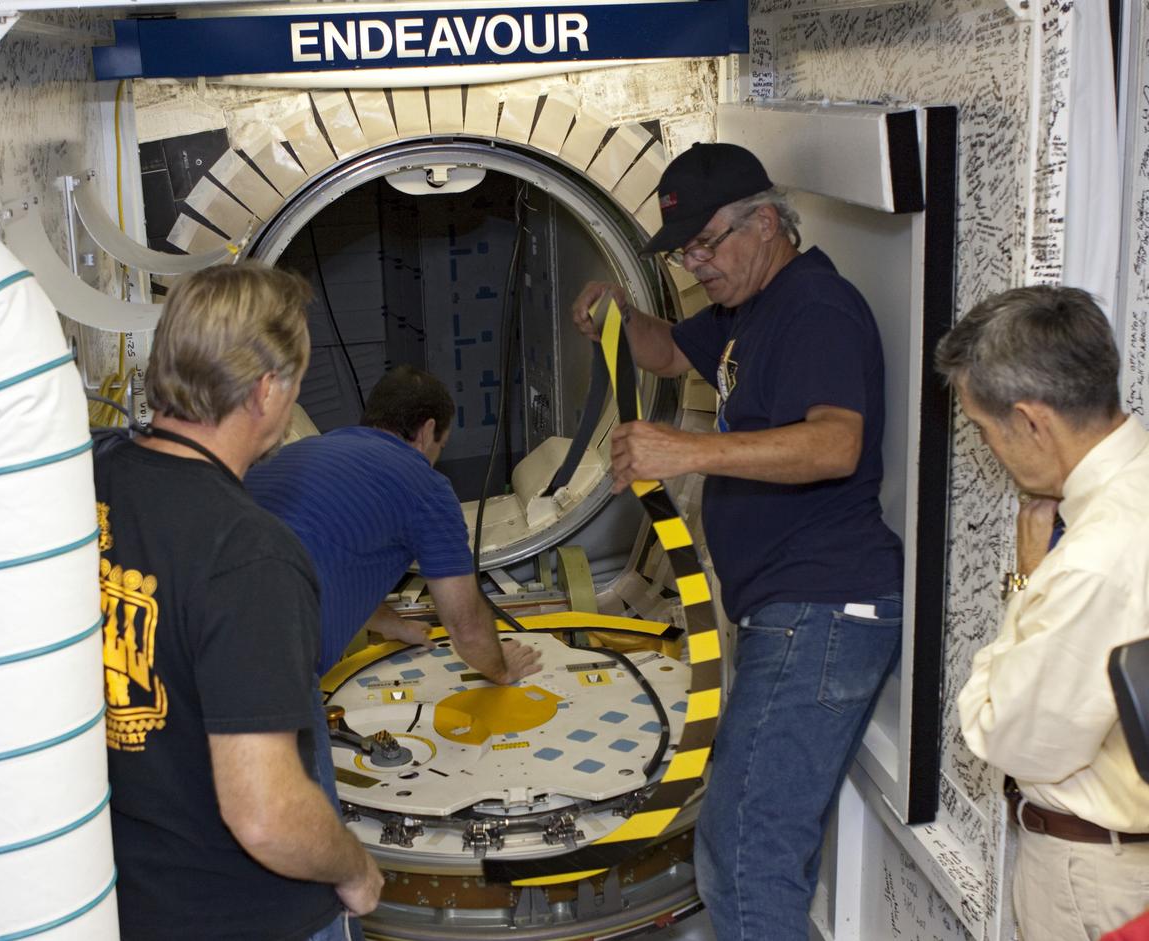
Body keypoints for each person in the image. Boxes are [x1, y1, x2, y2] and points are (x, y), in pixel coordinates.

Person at [570, 143, 903, 940]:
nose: (697, 263)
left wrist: (682, 452)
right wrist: (618, 313)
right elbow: (666, 349)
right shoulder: (744, 310)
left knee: (741, 852)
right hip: (792, 610)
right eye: (683, 251)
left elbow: (834, 446)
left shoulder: (813, 307)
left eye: (706, 245)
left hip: (822, 607)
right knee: (760, 848)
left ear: (765, 221)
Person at [95, 263, 382, 941]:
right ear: (266, 390)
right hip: (250, 916)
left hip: (128, 902)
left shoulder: (92, 483)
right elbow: (266, 814)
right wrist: (353, 865)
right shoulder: (249, 554)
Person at [936, 285, 1149, 941]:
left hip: (1094, 881)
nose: (989, 446)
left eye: (982, 427)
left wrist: (1027, 585)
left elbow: (1013, 737)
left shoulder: (1093, 559)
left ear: (1032, 421)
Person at [245, 364, 541, 685]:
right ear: (427, 431)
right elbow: (465, 626)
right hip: (270, 669)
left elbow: (326, 558)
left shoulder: (296, 454)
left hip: (194, 642)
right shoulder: (424, 485)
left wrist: (391, 624)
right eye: (440, 447)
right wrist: (501, 667)